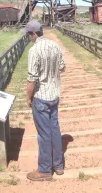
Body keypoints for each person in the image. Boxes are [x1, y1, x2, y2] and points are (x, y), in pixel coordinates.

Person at [22, 20, 66, 181]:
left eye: (28, 35)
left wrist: (28, 98)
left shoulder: (34, 51)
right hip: (54, 95)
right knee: (55, 130)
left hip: (40, 97)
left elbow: (31, 80)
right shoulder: (54, 45)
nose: (27, 37)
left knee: (43, 134)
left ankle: (45, 170)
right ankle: (58, 166)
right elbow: (62, 67)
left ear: (34, 34)